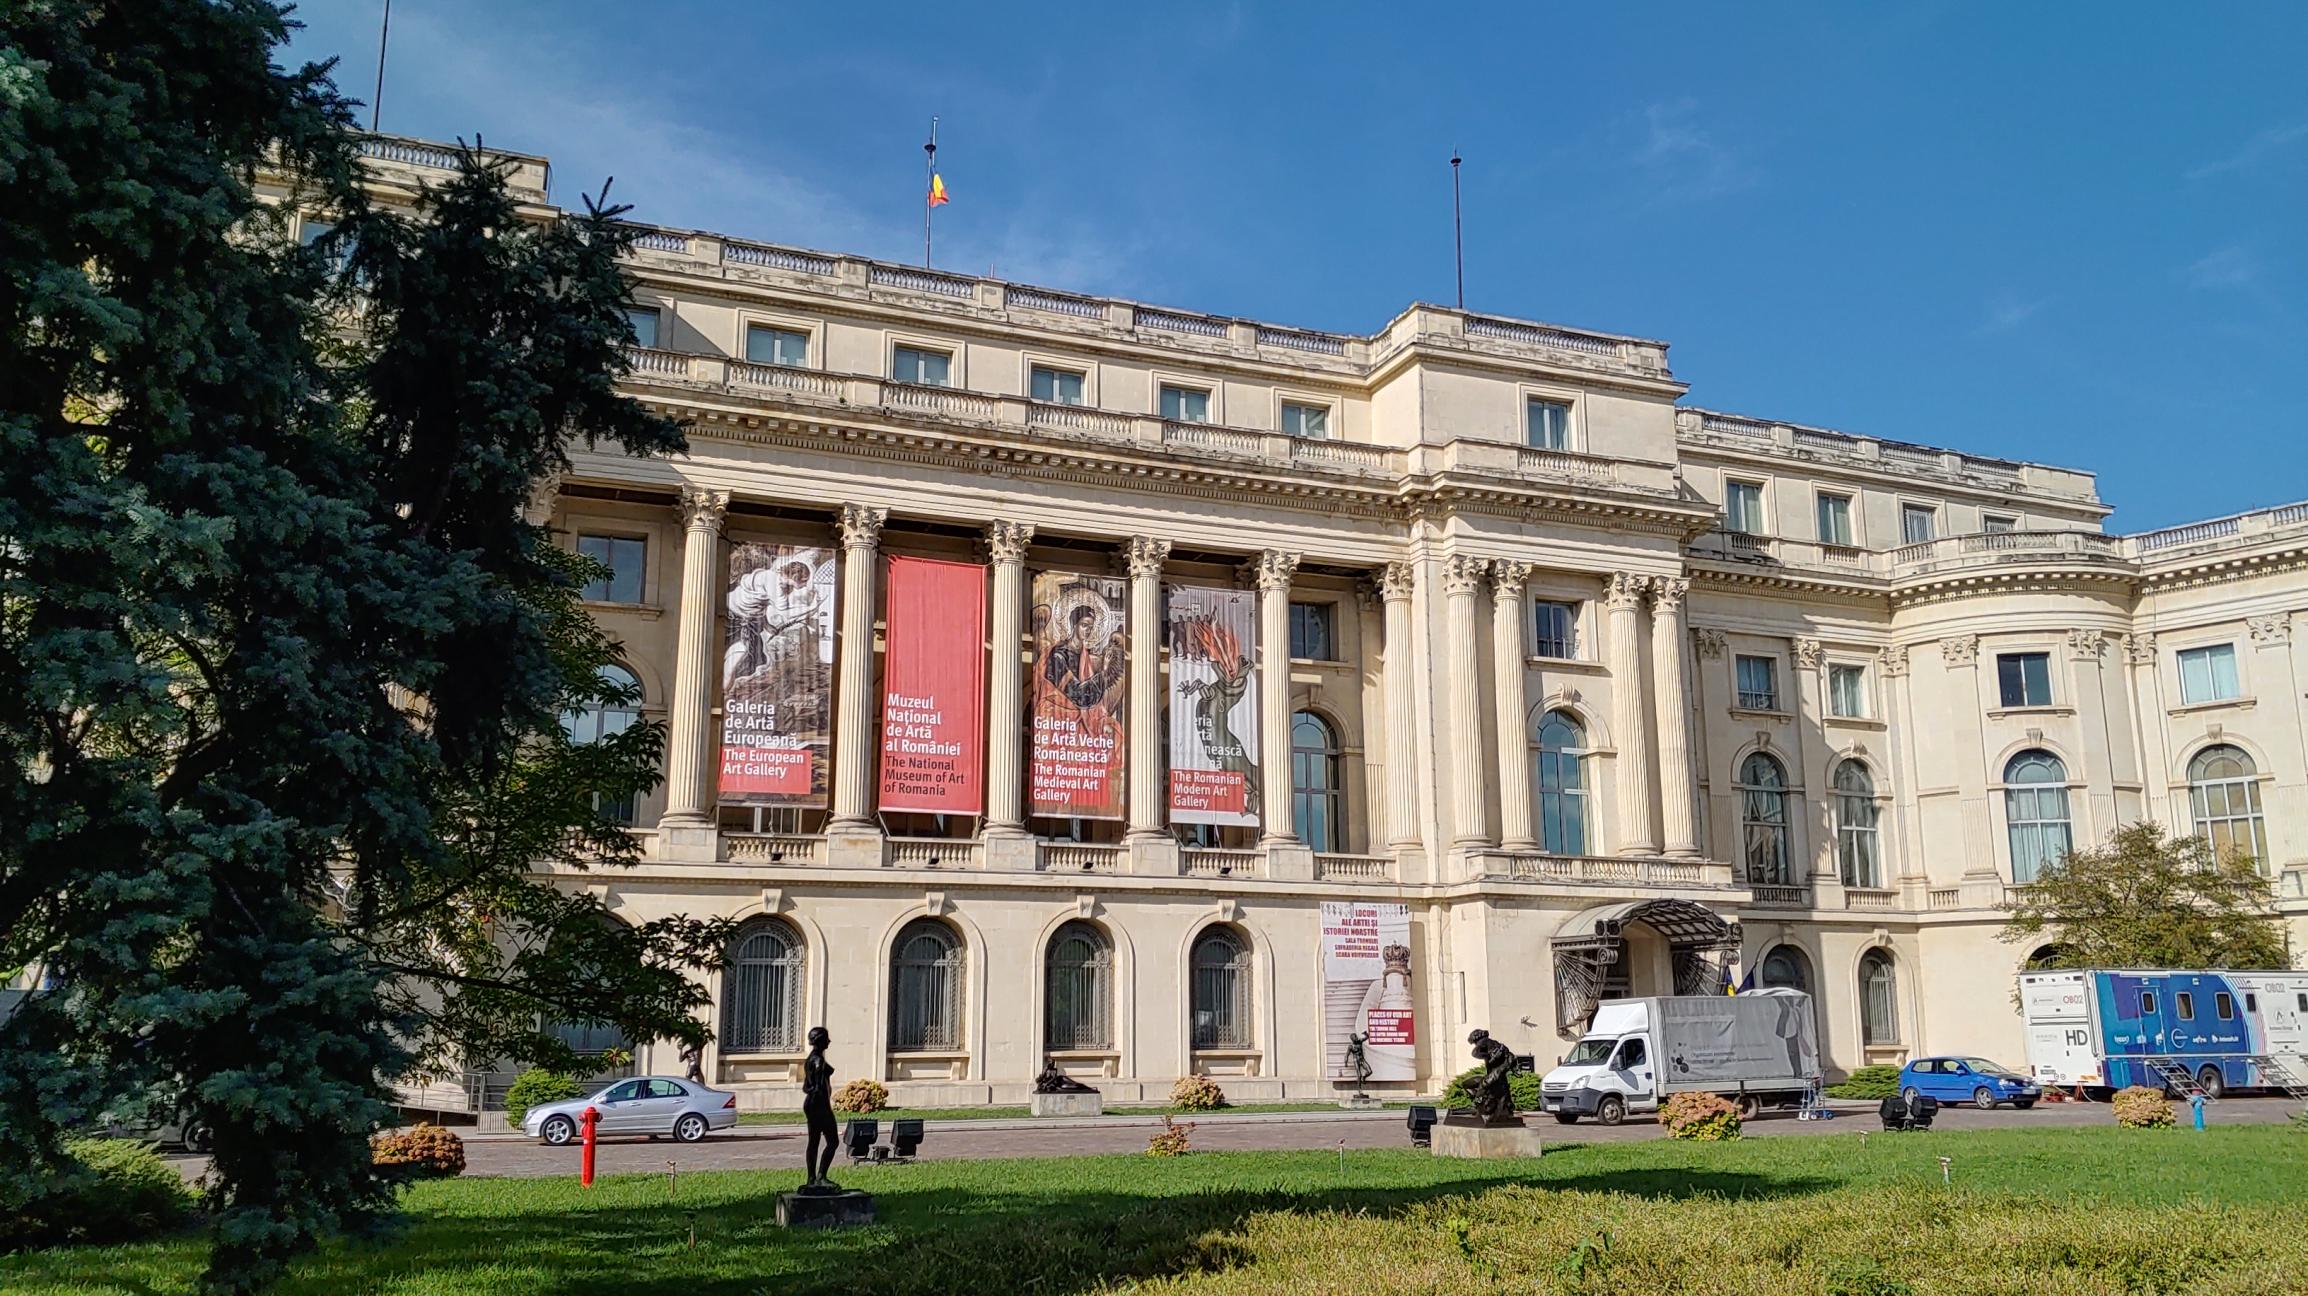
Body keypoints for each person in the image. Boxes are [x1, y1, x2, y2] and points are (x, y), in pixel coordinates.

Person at [800, 1025, 837, 1189]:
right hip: (819, 1105)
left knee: (814, 1142)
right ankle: (820, 1176)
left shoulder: (812, 1058)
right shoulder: (817, 1061)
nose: (829, 1041)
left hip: (813, 1104)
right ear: (821, 1041)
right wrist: (823, 1106)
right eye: (826, 1038)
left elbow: (805, 1086)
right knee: (832, 1141)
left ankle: (812, 1178)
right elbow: (816, 1085)